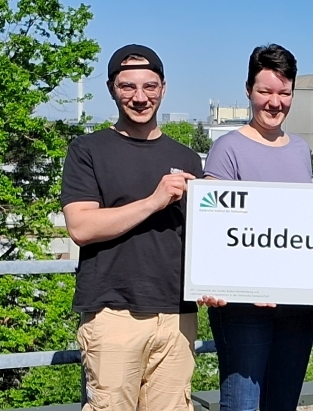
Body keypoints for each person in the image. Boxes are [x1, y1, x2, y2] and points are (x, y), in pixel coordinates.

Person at [60, 44, 202, 411]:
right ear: (112, 89)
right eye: (128, 87)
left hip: (177, 316)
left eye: (149, 87)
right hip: (113, 314)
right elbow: (81, 227)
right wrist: (154, 201)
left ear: (163, 88)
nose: (140, 98)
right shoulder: (87, 150)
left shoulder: (187, 158)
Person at [196, 44, 313, 411]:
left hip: (295, 306)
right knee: (243, 404)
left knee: (283, 404)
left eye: (284, 93)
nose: (275, 102)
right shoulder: (226, 149)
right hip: (243, 307)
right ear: (249, 90)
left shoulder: (300, 149)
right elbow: (212, 227)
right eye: (265, 91)